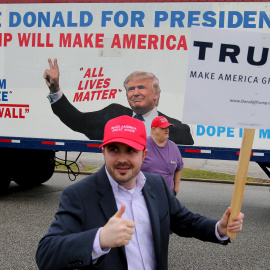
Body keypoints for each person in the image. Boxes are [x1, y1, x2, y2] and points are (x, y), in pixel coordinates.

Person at [36, 115, 244, 270]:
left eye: (131, 150)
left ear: (144, 154)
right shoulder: (79, 195)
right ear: (103, 152)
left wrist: (218, 227)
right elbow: (46, 254)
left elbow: (184, 220)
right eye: (114, 149)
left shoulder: (156, 185)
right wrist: (99, 239)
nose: (122, 159)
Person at [44, 58, 194, 145]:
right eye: (130, 89)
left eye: (141, 88)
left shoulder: (177, 128)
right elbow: (77, 121)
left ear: (156, 94)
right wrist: (55, 89)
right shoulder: (113, 115)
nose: (135, 93)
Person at [141, 116, 183, 195]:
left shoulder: (173, 147)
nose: (167, 130)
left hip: (167, 196)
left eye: (168, 127)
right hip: (147, 195)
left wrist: (176, 189)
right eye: (163, 128)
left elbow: (179, 168)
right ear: (154, 130)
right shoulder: (143, 145)